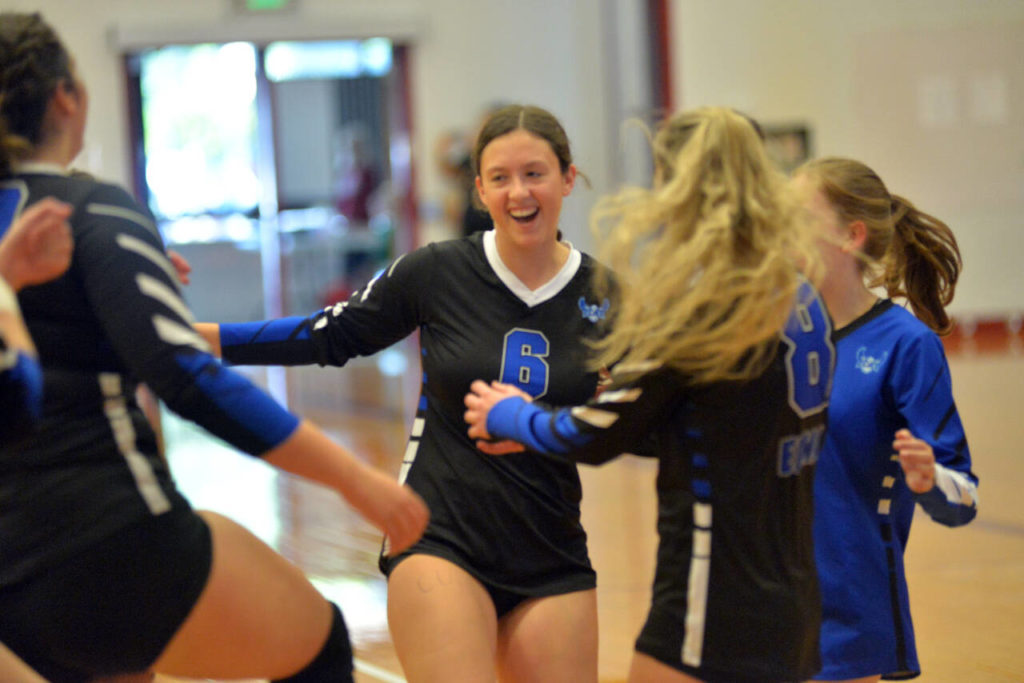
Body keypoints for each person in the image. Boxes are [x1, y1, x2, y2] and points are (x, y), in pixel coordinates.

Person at [0, 12, 428, 683]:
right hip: (108, 534)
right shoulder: (92, 210)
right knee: (317, 643)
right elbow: (186, 375)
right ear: (65, 97)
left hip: (12, 574)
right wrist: (356, 480)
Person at [197, 103, 609, 682]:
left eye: (535, 173)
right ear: (479, 190)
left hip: (551, 548)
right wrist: (199, 337)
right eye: (500, 178)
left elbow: (639, 421)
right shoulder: (437, 272)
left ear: (568, 178)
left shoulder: (608, 296)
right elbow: (329, 333)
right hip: (440, 535)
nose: (519, 192)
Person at [464, 106, 834, 683]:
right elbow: (726, 424)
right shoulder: (798, 290)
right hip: (795, 595)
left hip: (713, 595)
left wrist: (511, 416)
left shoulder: (705, 306)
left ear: (677, 184)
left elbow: (591, 435)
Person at [792, 157, 978, 682]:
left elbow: (963, 494)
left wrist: (930, 479)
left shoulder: (905, 345)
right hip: (767, 600)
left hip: (849, 614)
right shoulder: (772, 335)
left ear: (851, 236)